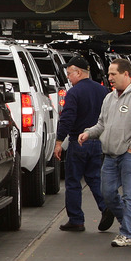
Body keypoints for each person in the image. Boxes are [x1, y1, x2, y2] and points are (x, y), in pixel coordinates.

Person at [78, 58, 131, 247]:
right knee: (107, 193)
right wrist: (88, 133)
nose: (109, 77)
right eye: (109, 74)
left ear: (126, 74)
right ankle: (129, 221)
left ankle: (126, 233)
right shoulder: (110, 98)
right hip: (110, 155)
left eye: (113, 74)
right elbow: (102, 124)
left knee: (129, 195)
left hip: (130, 154)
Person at [54, 56, 113, 232]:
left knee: (73, 181)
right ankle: (106, 207)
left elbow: (68, 118)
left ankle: (76, 220)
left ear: (79, 72)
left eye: (69, 74)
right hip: (97, 141)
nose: (68, 78)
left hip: (78, 142)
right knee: (94, 177)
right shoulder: (103, 91)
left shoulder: (74, 92)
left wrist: (59, 141)